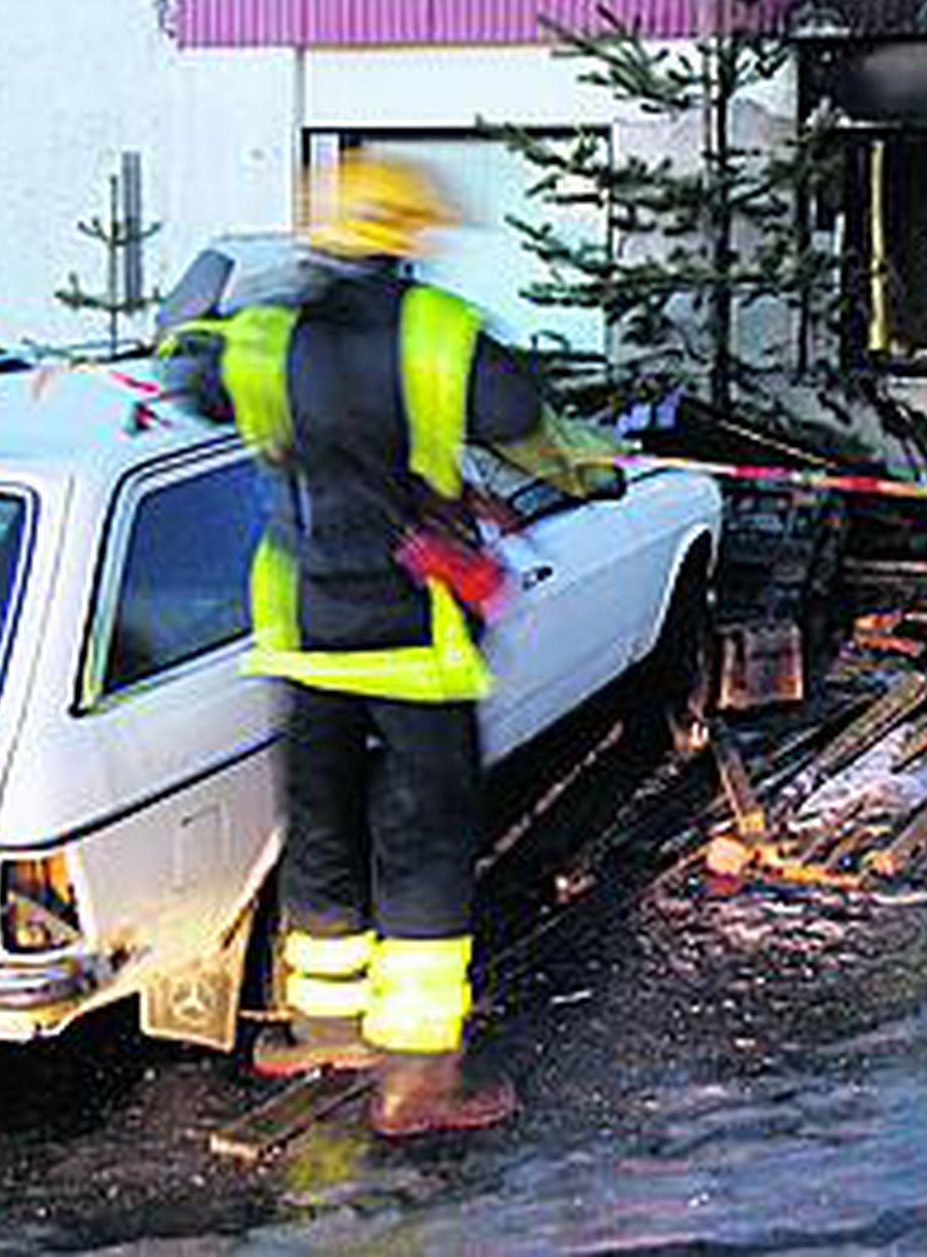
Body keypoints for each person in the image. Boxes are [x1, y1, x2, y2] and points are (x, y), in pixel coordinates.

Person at [163, 151, 614, 1139]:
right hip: (413, 639)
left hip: (304, 635)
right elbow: (528, 428)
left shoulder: (263, 331)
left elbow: (186, 377)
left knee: (321, 827)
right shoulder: (437, 330)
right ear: (405, 236)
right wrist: (594, 467)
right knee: (423, 842)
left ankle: (324, 1024)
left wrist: (203, 319)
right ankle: (417, 1077)